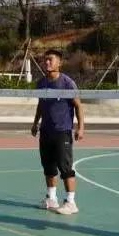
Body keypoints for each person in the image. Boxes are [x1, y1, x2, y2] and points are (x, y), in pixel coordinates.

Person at [31, 49, 85, 215]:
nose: (47, 62)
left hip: (63, 132)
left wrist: (81, 127)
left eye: (50, 59)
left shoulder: (68, 83)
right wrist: (35, 123)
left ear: (59, 63)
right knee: (48, 167)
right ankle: (51, 199)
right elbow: (41, 104)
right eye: (45, 60)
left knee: (65, 167)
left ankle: (71, 202)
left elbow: (78, 106)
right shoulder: (41, 83)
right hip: (46, 132)